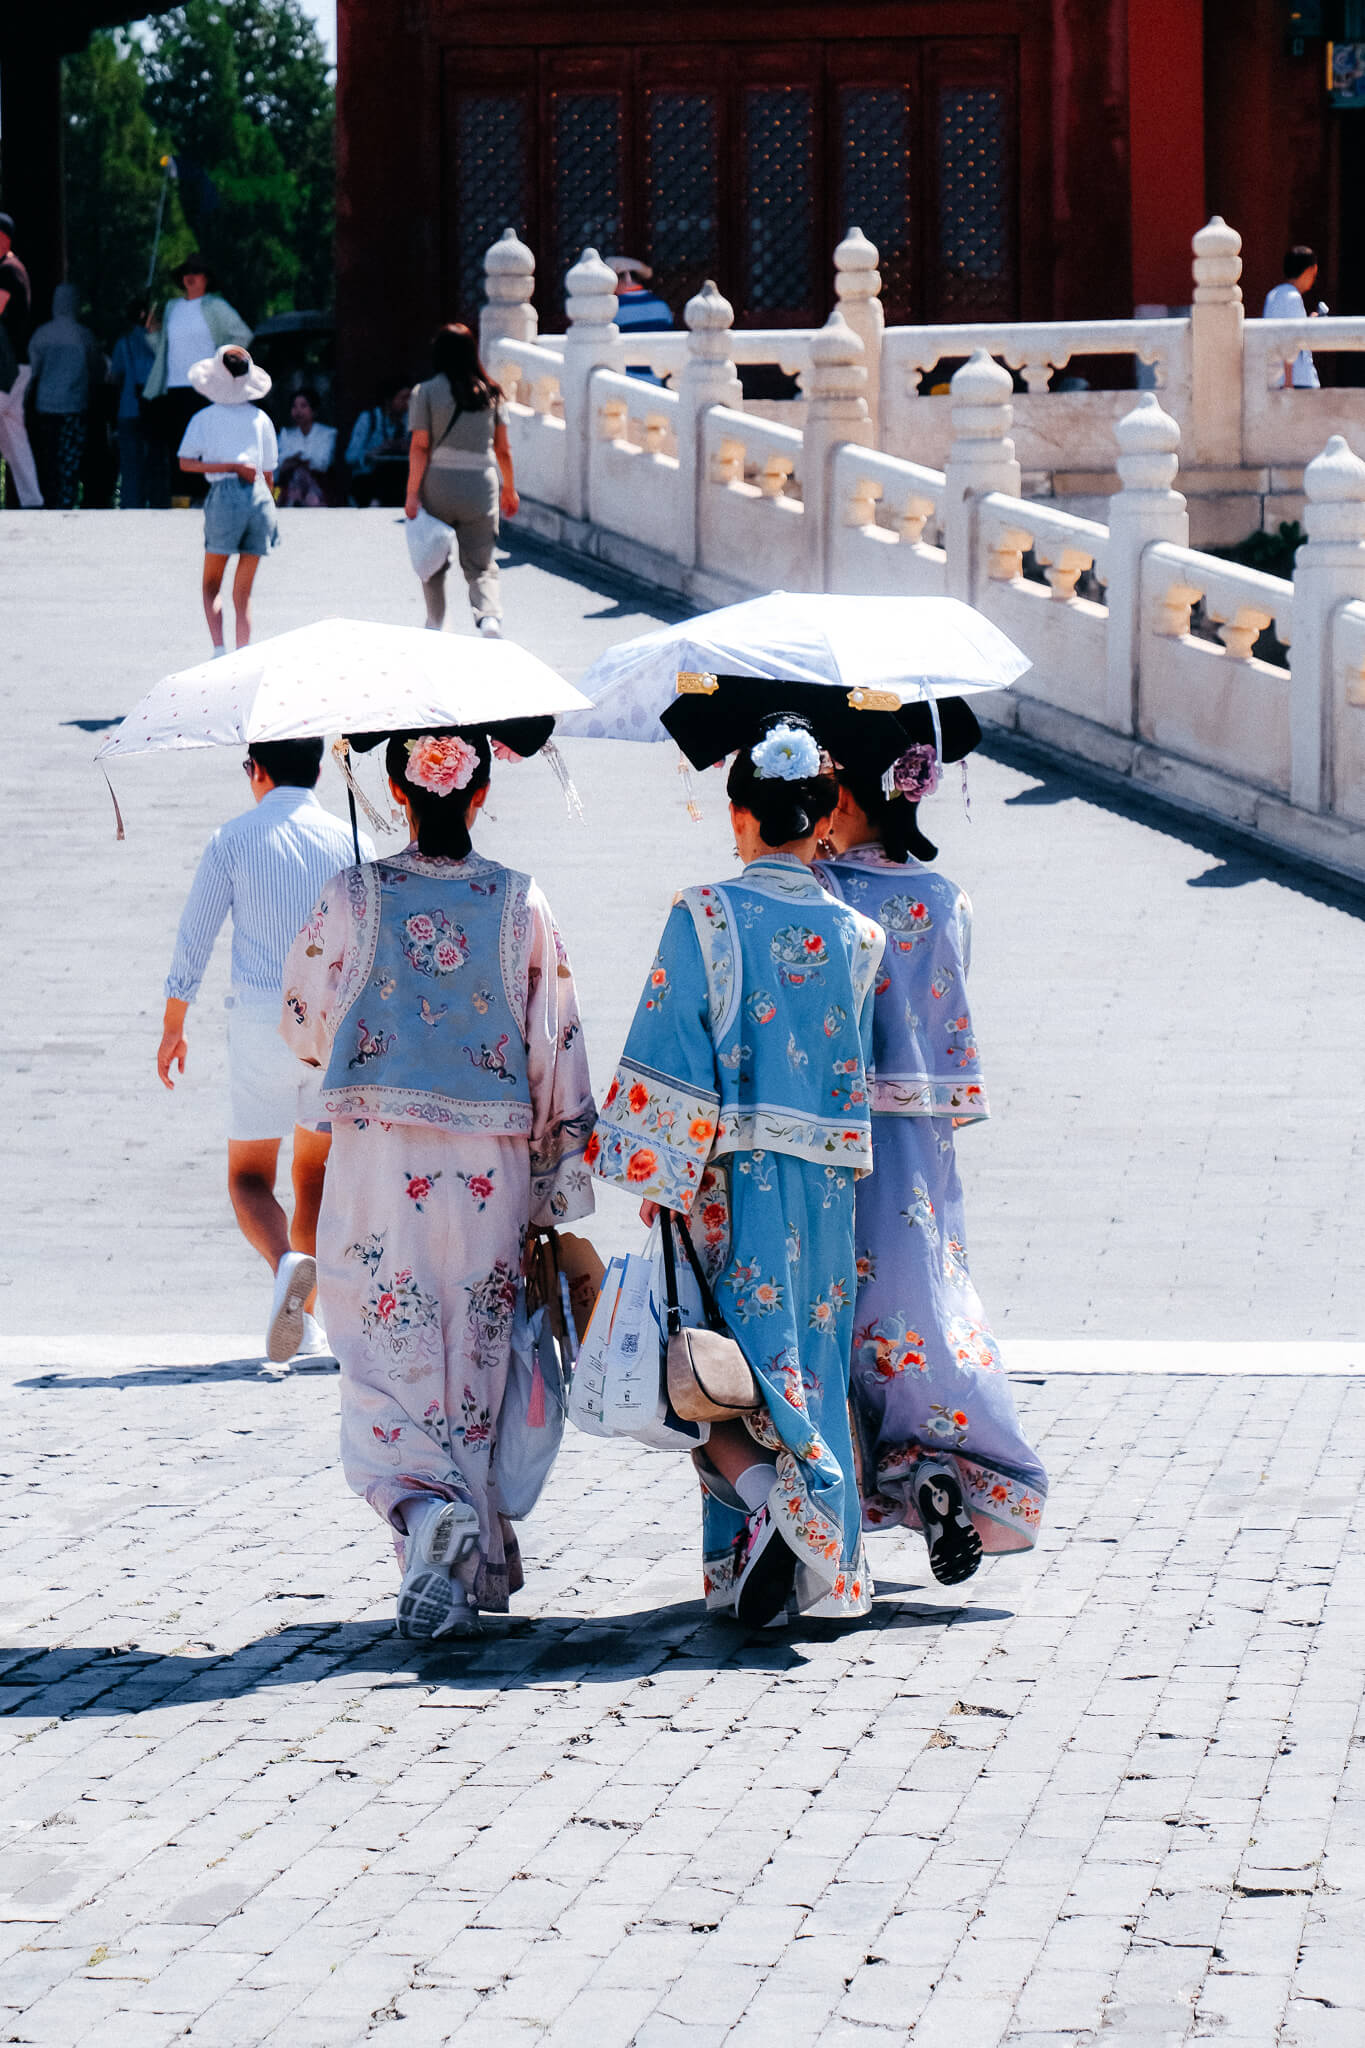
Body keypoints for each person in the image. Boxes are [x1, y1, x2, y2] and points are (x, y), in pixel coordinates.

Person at [279, 726, 596, 1637]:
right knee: (475, 1349)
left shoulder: (351, 893)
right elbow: (557, 1044)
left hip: (378, 1159)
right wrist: (553, 1185)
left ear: (396, 790)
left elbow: (300, 1020)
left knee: (382, 1346)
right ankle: (457, 1549)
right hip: (489, 1164)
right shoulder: (519, 900)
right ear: (480, 792)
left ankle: (426, 1517)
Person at [589, 716, 885, 1627]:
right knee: (806, 1351)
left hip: (731, 1175)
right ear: (825, 814)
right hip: (829, 1186)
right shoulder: (859, 935)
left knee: (724, 1362)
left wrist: (657, 1172)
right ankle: (796, 1565)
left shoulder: (705, 914)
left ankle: (784, 1508)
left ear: (738, 813)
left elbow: (673, 1043)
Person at [814, 736, 1048, 1586]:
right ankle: (937, 1467)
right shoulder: (947, 897)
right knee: (919, 1293)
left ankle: (834, 1504)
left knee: (831, 1310)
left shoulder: (827, 890)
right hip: (923, 1140)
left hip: (836, 1132)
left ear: (842, 796)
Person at [158, 738, 375, 1364]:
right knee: (314, 1177)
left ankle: (287, 1266)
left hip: (259, 1022)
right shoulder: (347, 840)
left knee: (249, 1176)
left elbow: (194, 934)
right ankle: (306, 1321)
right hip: (330, 1027)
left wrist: (174, 1023)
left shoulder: (231, 838)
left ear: (256, 770)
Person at [405, 324, 518, 636]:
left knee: (433, 558)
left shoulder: (425, 392)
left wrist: (412, 494)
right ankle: (489, 618)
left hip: (438, 484)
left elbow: (420, 446)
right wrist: (509, 488)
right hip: (481, 486)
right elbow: (503, 450)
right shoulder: (492, 393)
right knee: (481, 564)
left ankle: (435, 622)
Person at [177, 345, 279, 654]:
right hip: (260, 497)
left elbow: (186, 461)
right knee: (244, 592)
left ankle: (219, 650)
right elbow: (269, 473)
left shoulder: (204, 418)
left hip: (224, 496)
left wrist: (230, 466)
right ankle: (244, 652)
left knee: (211, 584)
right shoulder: (261, 419)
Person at [143, 253, 252, 496]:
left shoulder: (216, 307)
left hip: (205, 387)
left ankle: (207, 496)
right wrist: (152, 333)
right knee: (178, 446)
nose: (190, 277)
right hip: (174, 386)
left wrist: (222, 365)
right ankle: (180, 498)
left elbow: (242, 335)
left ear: (206, 278)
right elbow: (164, 348)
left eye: (196, 273)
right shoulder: (172, 308)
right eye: (186, 273)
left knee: (205, 444)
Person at [27, 284, 106, 510]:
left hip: (46, 407)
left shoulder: (42, 335)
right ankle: (66, 501)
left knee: (47, 458)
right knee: (70, 459)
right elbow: (97, 370)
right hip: (75, 406)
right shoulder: (84, 335)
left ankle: (48, 501)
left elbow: (32, 372)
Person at [0, 210, 42, 508]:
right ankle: (33, 501)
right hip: (15, 364)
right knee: (14, 437)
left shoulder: (7, 270)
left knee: (14, 435)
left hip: (6, 366)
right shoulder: (14, 268)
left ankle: (33, 500)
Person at [109, 298, 161, 509]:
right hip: (155, 409)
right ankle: (157, 504)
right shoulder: (158, 343)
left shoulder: (124, 343)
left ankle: (130, 506)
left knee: (130, 465)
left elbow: (114, 377)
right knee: (155, 464)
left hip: (128, 408)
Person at [1263, 246, 1323, 390]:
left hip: (1275, 379)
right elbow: (1290, 337)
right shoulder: (1293, 297)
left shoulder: (1273, 294)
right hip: (1297, 379)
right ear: (1310, 270)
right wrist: (1289, 382)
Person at [346, 378, 411, 505]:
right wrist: (376, 451)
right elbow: (350, 457)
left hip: (399, 479)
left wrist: (407, 448)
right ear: (389, 400)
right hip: (370, 479)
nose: (408, 403)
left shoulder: (410, 421)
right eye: (403, 398)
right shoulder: (369, 419)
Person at [275, 386, 336, 506]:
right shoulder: (286, 434)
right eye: (294, 406)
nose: (298, 411)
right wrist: (298, 461)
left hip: (318, 487)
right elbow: (279, 464)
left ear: (313, 410)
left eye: (303, 406)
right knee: (272, 499)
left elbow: (322, 463)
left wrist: (297, 460)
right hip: (286, 486)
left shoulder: (327, 434)